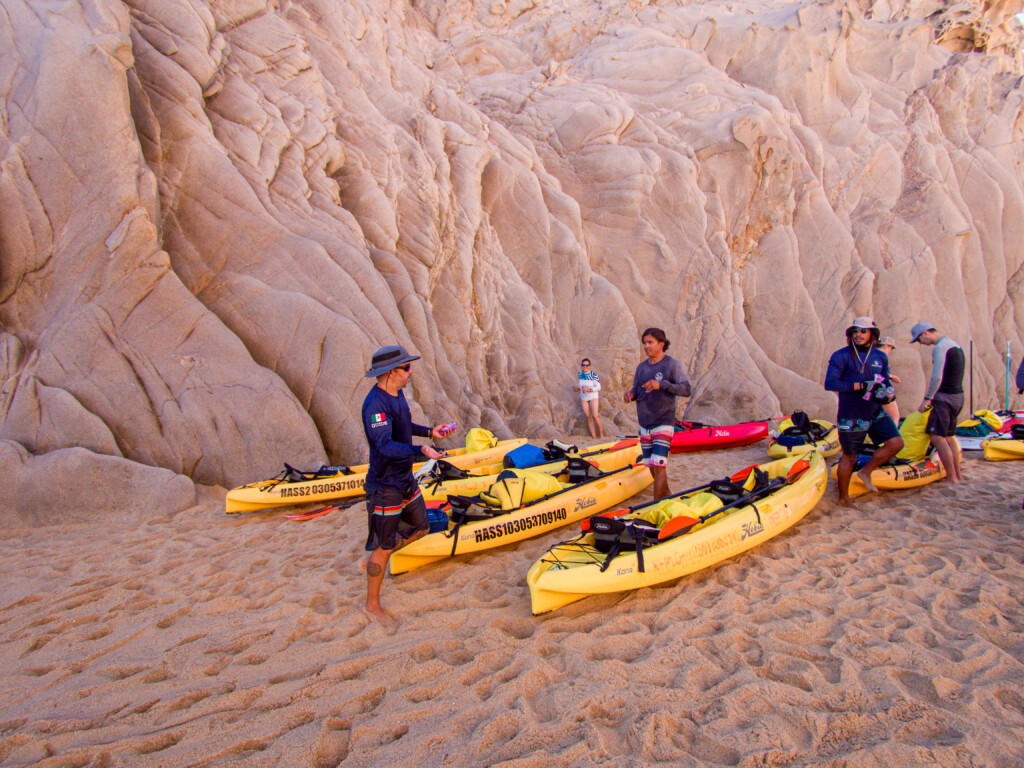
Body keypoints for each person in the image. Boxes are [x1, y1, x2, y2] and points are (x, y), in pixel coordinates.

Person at [359, 345, 449, 625]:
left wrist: (429, 433)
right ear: (390, 372)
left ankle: (373, 560)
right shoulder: (374, 405)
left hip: (404, 479)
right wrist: (421, 451)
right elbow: (385, 446)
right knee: (385, 545)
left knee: (421, 526)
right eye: (406, 368)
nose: (411, 372)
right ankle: (371, 605)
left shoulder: (397, 396)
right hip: (385, 484)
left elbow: (403, 426)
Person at [825, 317, 904, 506]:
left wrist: (889, 392)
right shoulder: (841, 355)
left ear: (872, 334)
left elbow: (884, 380)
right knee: (849, 456)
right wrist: (861, 385)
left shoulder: (880, 356)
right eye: (855, 331)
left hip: (874, 410)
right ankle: (844, 499)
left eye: (863, 331)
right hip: (851, 415)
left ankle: (866, 472)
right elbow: (831, 383)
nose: (858, 334)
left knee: (896, 443)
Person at [623, 328, 691, 499]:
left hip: (664, 421)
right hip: (645, 423)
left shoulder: (671, 364)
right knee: (652, 467)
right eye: (644, 342)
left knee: (660, 465)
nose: (646, 346)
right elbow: (637, 390)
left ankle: (655, 504)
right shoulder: (641, 368)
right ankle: (667, 498)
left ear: (661, 344)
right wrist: (630, 395)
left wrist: (661, 384)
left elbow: (686, 389)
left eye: (650, 342)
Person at [910, 322, 965, 484]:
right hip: (957, 396)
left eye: (919, 339)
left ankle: (951, 478)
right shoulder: (955, 345)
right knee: (949, 436)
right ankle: (958, 476)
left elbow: (937, 377)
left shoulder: (940, 348)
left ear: (926, 333)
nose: (920, 343)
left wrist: (928, 398)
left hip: (944, 398)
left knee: (937, 437)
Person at [875, 336, 902, 423]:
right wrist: (891, 377)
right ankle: (893, 436)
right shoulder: (880, 357)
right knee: (894, 416)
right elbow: (874, 374)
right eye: (891, 348)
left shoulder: (871, 355)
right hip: (880, 391)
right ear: (886, 346)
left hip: (870, 391)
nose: (891, 351)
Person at [578, 358, 604, 439]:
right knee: (588, 417)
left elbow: (599, 387)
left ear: (589, 366)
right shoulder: (580, 374)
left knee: (595, 416)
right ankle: (594, 436)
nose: (585, 366)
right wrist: (578, 388)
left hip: (593, 396)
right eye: (583, 365)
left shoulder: (593, 375)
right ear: (581, 366)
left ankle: (601, 435)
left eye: (586, 365)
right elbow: (582, 385)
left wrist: (589, 390)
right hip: (584, 397)